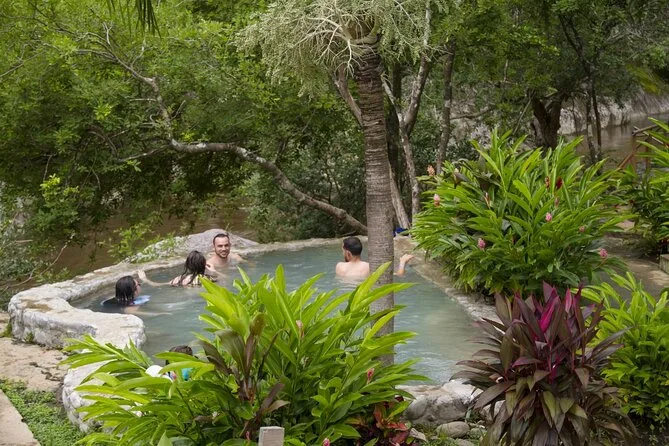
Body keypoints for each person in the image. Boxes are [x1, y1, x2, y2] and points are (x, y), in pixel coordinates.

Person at [335, 236, 414, 278]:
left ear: (348, 253)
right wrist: (403, 262)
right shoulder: (369, 267)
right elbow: (399, 275)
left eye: (343, 251)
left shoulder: (339, 266)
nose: (343, 253)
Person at [139, 250, 216, 287]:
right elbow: (222, 280)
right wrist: (214, 271)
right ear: (203, 265)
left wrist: (144, 279)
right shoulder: (207, 279)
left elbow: (157, 285)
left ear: (187, 265)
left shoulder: (180, 279)